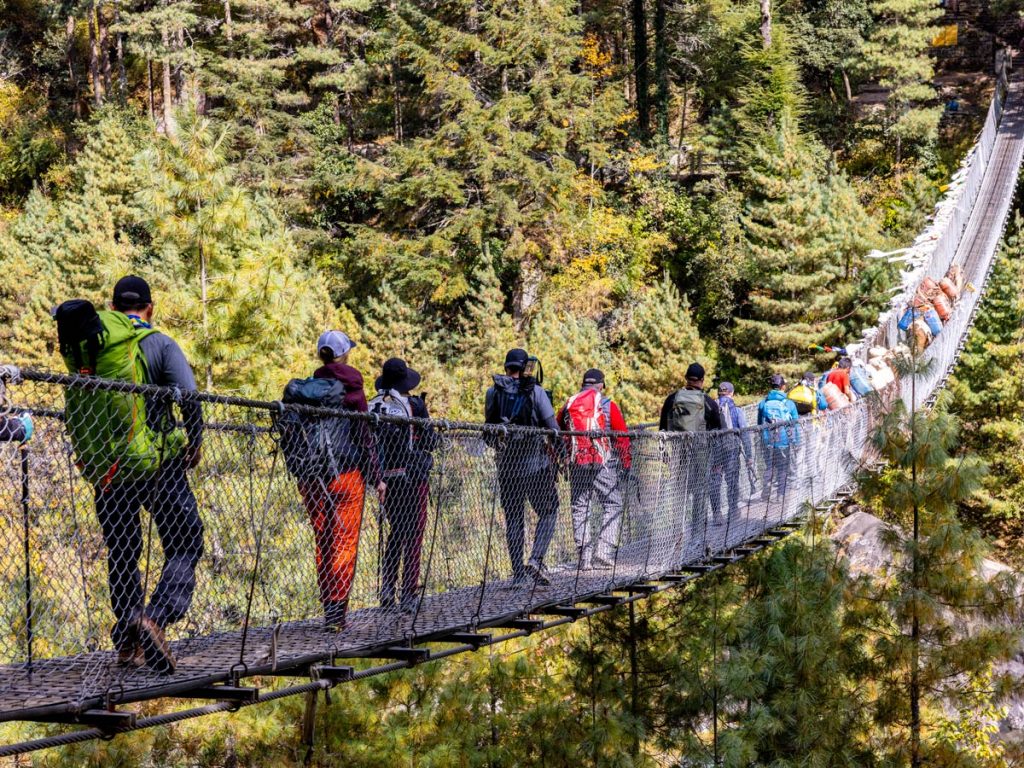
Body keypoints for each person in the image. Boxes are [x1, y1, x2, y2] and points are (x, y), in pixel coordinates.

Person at [54, 276, 205, 675]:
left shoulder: (94, 343)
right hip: (156, 463)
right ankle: (155, 617)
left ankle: (127, 642)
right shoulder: (158, 342)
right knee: (186, 540)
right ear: (150, 308)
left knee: (123, 552)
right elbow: (189, 395)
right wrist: (195, 440)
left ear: (113, 306)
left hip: (107, 468)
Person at [283, 330, 384, 632]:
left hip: (311, 476)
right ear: (345, 354)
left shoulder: (305, 389)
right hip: (346, 474)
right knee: (345, 541)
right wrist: (376, 477)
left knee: (323, 540)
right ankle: (336, 613)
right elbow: (364, 437)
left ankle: (329, 604)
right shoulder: (352, 390)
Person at [485, 348, 561, 586]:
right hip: (536, 465)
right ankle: (536, 560)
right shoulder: (536, 392)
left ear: (507, 367)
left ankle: (518, 574)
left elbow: (488, 433)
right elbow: (553, 429)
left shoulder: (493, 392)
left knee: (514, 518)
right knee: (549, 510)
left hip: (507, 467)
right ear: (526, 366)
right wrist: (561, 455)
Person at [371, 358, 436, 612]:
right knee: (414, 534)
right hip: (414, 478)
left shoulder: (378, 405)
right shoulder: (415, 405)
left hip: (388, 480)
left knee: (396, 534)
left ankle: (387, 590)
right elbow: (430, 440)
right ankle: (408, 593)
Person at [557, 369, 631, 569]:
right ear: (601, 385)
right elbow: (622, 437)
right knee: (613, 504)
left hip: (577, 461)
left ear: (583, 384)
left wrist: (560, 459)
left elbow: (557, 432)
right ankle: (604, 552)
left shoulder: (568, 405)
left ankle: (584, 558)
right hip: (602, 461)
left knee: (581, 507)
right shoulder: (608, 406)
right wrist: (626, 463)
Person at [660, 363, 722, 551]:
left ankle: (677, 535)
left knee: (679, 492)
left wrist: (665, 456)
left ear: (686, 378)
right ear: (702, 381)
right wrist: (717, 460)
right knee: (700, 492)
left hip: (678, 451)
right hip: (700, 451)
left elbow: (662, 428)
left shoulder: (672, 399)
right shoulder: (708, 402)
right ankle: (696, 535)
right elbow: (718, 432)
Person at [711, 382, 753, 526]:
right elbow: (745, 434)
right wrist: (749, 456)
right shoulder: (737, 410)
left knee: (715, 481)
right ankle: (733, 511)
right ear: (732, 393)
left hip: (715, 450)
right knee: (732, 480)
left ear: (718, 393)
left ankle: (717, 514)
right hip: (732, 450)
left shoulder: (710, 408)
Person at [757, 374, 801, 503]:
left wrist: (763, 438)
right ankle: (780, 495)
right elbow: (794, 424)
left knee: (769, 466)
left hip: (768, 440)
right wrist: (796, 441)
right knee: (783, 468)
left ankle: (766, 489)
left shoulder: (763, 403)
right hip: (784, 440)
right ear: (783, 386)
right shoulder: (789, 403)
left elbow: (760, 423)